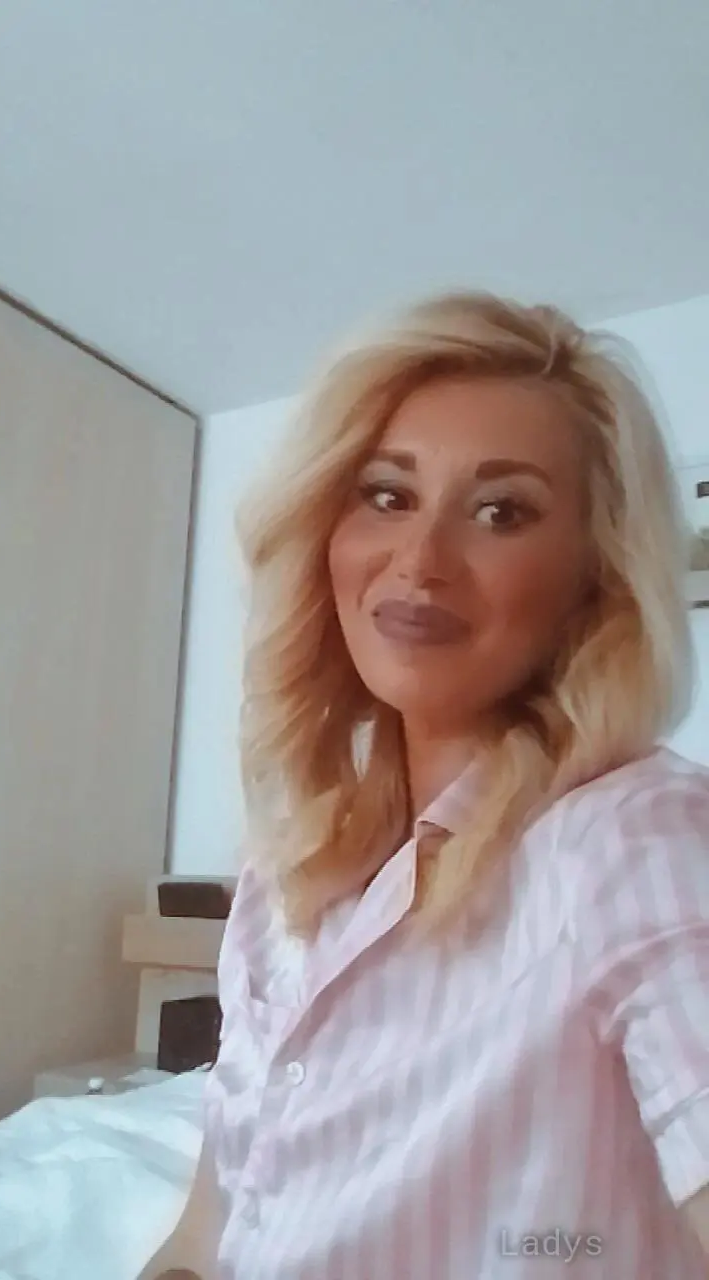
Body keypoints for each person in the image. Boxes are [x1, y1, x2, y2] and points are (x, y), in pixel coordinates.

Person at [139, 292, 709, 1279]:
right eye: (387, 495)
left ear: (595, 575)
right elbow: (206, 1232)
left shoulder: (634, 836)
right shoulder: (287, 872)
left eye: (502, 512)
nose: (421, 560)